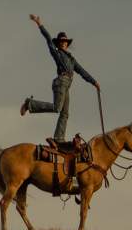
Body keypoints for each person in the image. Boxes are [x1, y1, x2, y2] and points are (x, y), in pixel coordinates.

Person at [20, 14, 100, 147]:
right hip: (61, 82)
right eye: (61, 41)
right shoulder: (57, 53)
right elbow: (48, 40)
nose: (64, 42)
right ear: (58, 43)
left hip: (67, 85)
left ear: (67, 44)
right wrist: (40, 24)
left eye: (65, 41)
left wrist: (94, 82)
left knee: (65, 113)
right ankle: (30, 104)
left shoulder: (72, 59)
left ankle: (58, 138)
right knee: (57, 108)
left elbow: (82, 71)